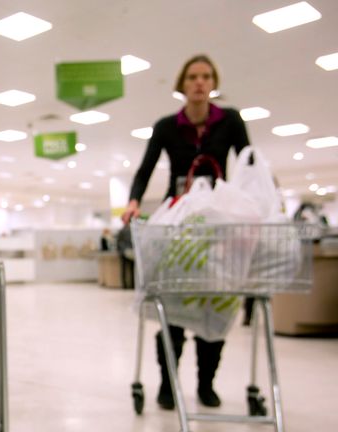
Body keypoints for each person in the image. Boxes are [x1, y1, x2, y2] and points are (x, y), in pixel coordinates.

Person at [122, 54, 250, 410]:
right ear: (182, 84)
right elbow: (145, 169)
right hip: (176, 223)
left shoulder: (231, 120)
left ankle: (206, 385)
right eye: (193, 76)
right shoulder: (166, 126)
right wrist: (134, 201)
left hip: (216, 223)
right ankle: (167, 384)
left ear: (213, 83)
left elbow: (248, 161)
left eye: (206, 76)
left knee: (214, 306)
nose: (199, 82)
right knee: (173, 310)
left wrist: (258, 203)